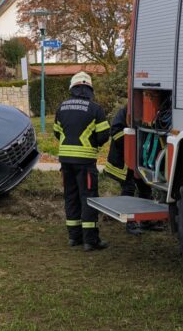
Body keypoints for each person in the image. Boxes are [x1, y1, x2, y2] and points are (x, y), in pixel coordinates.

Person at [53, 71, 110, 251]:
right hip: (85, 162)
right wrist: (93, 144)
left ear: (72, 87)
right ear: (89, 89)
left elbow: (56, 132)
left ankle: (74, 237)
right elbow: (104, 135)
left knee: (71, 197)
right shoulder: (95, 109)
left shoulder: (61, 107)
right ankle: (90, 240)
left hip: (65, 161)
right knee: (88, 198)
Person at [103, 102, 156, 235]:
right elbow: (115, 132)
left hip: (139, 160)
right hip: (124, 161)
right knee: (129, 189)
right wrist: (131, 147)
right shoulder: (126, 112)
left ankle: (145, 221)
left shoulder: (149, 113)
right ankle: (129, 223)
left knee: (145, 188)